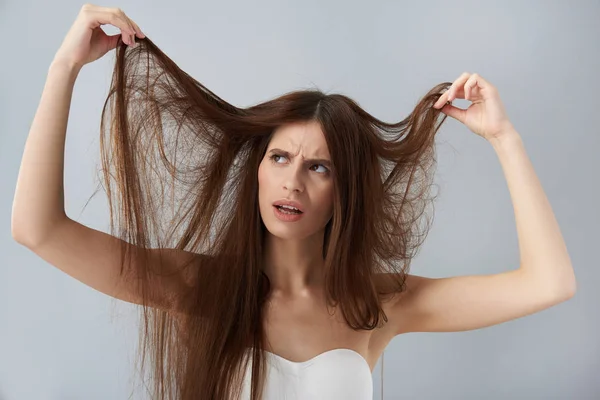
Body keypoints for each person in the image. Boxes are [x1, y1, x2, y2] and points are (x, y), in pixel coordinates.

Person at [11, 4, 577, 400]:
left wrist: (505, 139)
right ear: (256, 170)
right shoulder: (194, 285)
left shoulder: (377, 304)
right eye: (279, 159)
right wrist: (63, 69)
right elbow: (38, 230)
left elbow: (549, 284)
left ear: (344, 191)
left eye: (319, 167)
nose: (292, 182)